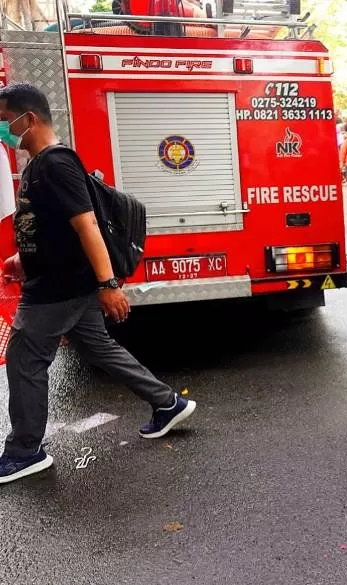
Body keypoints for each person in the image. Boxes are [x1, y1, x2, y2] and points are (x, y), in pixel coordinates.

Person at [0, 83, 196, 484]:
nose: (4, 129)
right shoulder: (39, 164)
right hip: (61, 280)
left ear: (28, 119)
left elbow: (87, 224)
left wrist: (109, 284)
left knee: (24, 359)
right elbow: (51, 227)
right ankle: (168, 404)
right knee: (99, 348)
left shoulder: (56, 164)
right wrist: (24, 258)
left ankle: (24, 452)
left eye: (5, 121)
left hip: (58, 288)